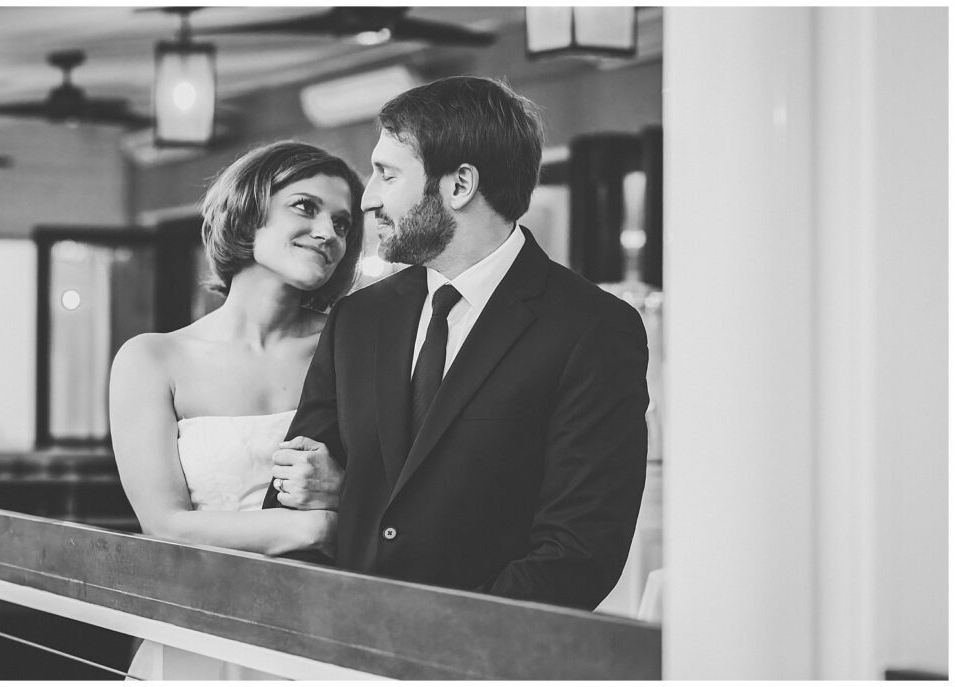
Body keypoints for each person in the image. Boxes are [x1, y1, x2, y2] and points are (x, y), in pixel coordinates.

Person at [264, 76, 650, 610]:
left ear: (460, 184)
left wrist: (441, 639)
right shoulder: (359, 318)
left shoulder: (592, 328)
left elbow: (578, 552)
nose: (369, 198)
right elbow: (291, 494)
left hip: (483, 646)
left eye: (387, 174)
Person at [109, 141, 364, 678]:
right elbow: (164, 524)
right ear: (248, 211)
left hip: (326, 632)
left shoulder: (355, 350)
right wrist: (315, 528)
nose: (328, 233)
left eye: (342, 224)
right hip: (200, 634)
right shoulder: (153, 359)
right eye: (305, 207)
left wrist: (346, 493)